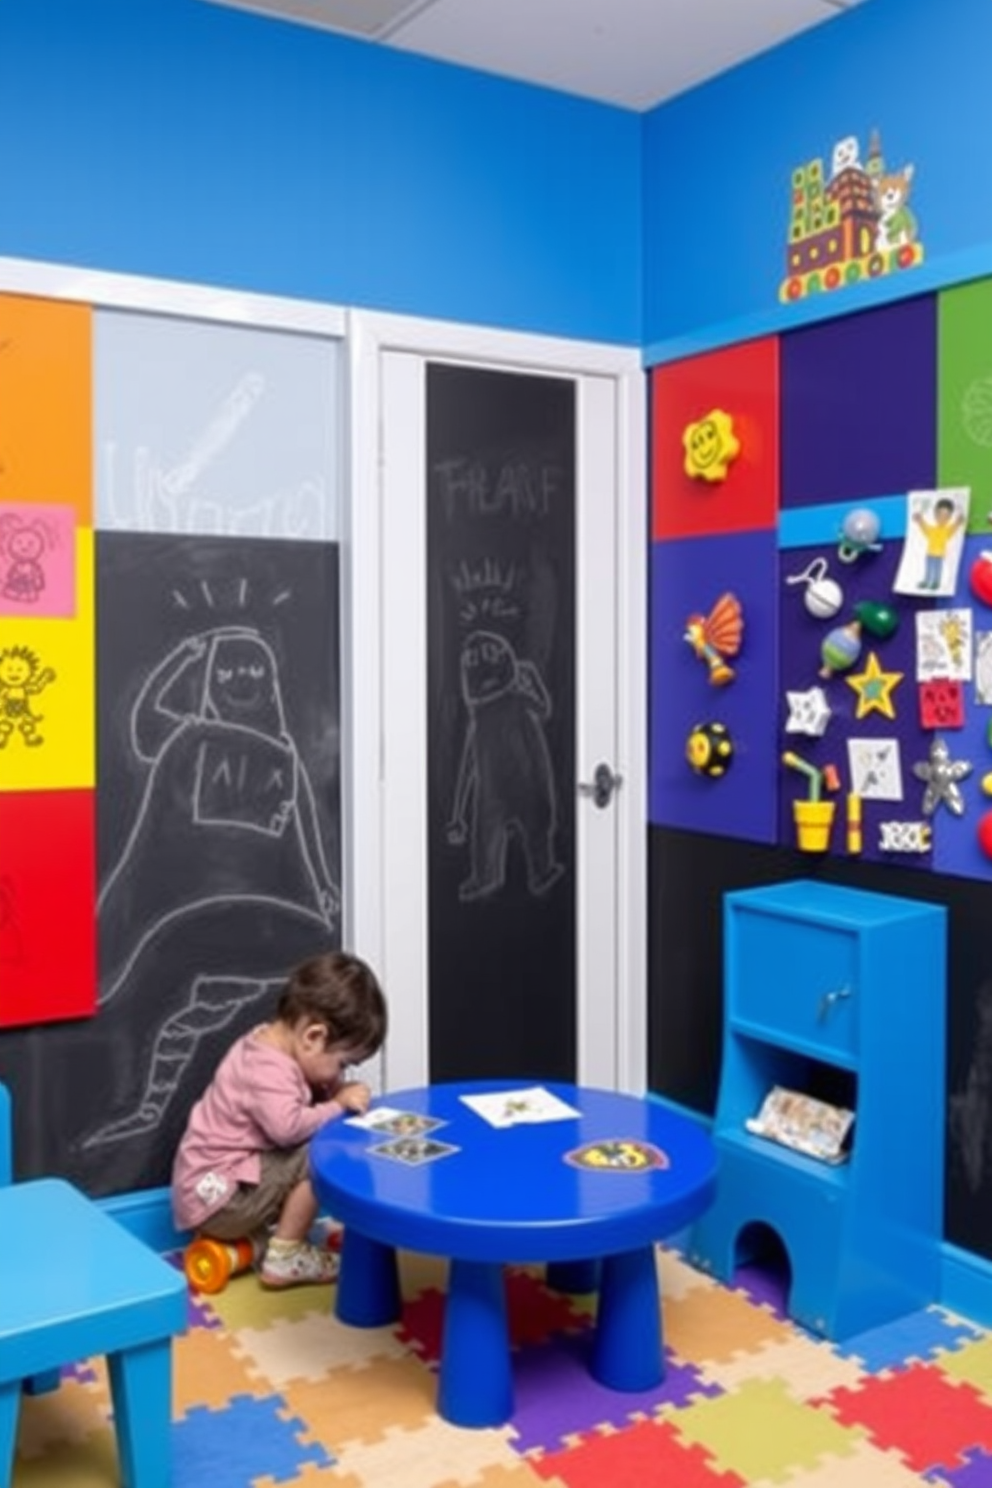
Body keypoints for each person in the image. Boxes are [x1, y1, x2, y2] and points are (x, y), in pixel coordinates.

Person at [171, 950, 387, 1288]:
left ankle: (250, 1246)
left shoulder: (268, 1046)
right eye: (343, 1063)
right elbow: (287, 1130)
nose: (341, 1073)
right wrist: (338, 1104)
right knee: (318, 1152)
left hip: (213, 1194)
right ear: (313, 1037)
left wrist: (333, 1087)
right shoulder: (267, 1070)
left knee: (312, 1139)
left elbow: (299, 1097)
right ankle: (286, 1256)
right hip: (222, 1201)